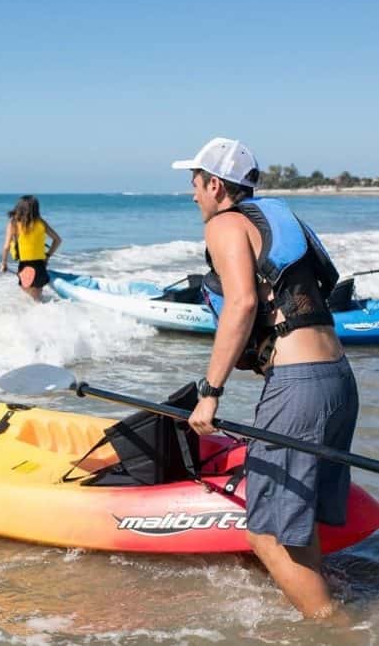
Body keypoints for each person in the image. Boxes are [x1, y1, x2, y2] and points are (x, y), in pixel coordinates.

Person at [171, 138, 357, 619]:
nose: (192, 194)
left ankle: (336, 629)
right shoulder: (274, 218)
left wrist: (209, 393)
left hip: (300, 386)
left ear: (215, 184)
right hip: (337, 378)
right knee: (299, 522)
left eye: (194, 183)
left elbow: (242, 304)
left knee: (265, 533)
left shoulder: (226, 224)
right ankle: (326, 607)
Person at [0, 195, 62, 301]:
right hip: (40, 266)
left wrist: (4, 264)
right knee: (38, 297)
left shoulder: (13, 223)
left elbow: (6, 247)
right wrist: (47, 256)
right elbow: (57, 240)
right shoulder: (41, 222)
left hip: (25, 266)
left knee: (30, 297)